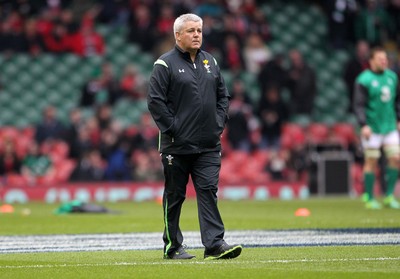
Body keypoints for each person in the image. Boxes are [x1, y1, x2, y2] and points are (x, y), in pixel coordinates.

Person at [147, 13, 242, 260]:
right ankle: (172, 246)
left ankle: (214, 244)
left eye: (199, 30)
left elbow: (223, 96)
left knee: (208, 190)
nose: (197, 35)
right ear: (177, 35)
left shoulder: (210, 61)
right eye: (191, 31)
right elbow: (155, 102)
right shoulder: (164, 64)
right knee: (175, 196)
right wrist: (174, 129)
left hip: (209, 144)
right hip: (176, 146)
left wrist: (218, 122)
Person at [353, 46, 400, 209]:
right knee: (371, 160)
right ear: (371, 61)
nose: (384, 61)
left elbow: (397, 100)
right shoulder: (363, 79)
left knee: (396, 158)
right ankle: (369, 196)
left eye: (385, 58)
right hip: (372, 127)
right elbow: (358, 105)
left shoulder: (392, 77)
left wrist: (398, 119)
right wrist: (363, 124)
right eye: (380, 59)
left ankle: (388, 196)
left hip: (389, 125)